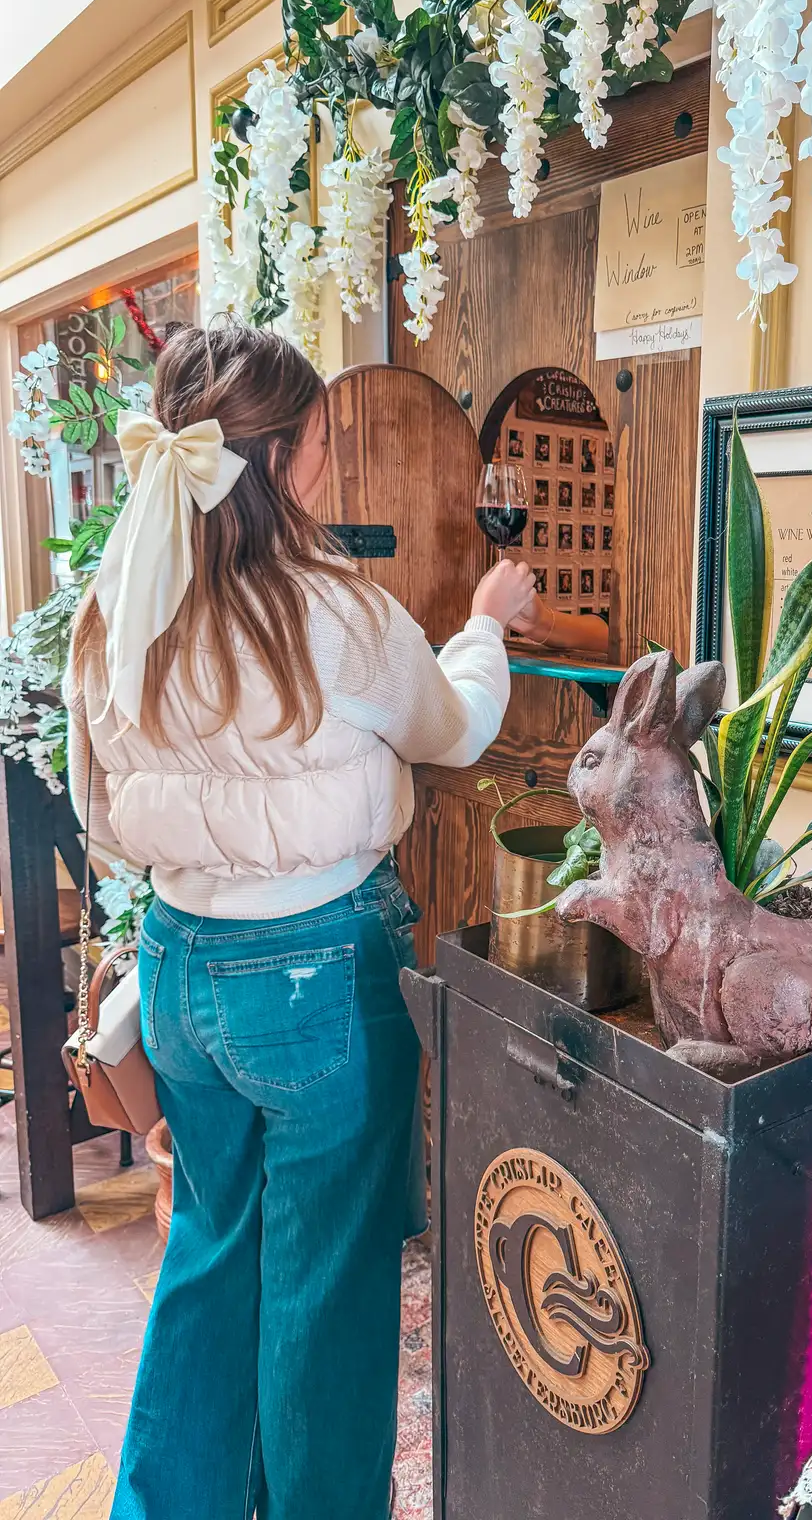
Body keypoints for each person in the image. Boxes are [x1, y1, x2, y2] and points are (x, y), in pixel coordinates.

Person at [64, 321, 536, 1520]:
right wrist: (484, 621)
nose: (330, 459)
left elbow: (101, 812)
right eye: (323, 437)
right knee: (324, 1284)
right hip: (317, 974)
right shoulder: (330, 610)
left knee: (212, 1256)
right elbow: (453, 728)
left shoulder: (117, 609)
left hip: (178, 972)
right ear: (279, 463)